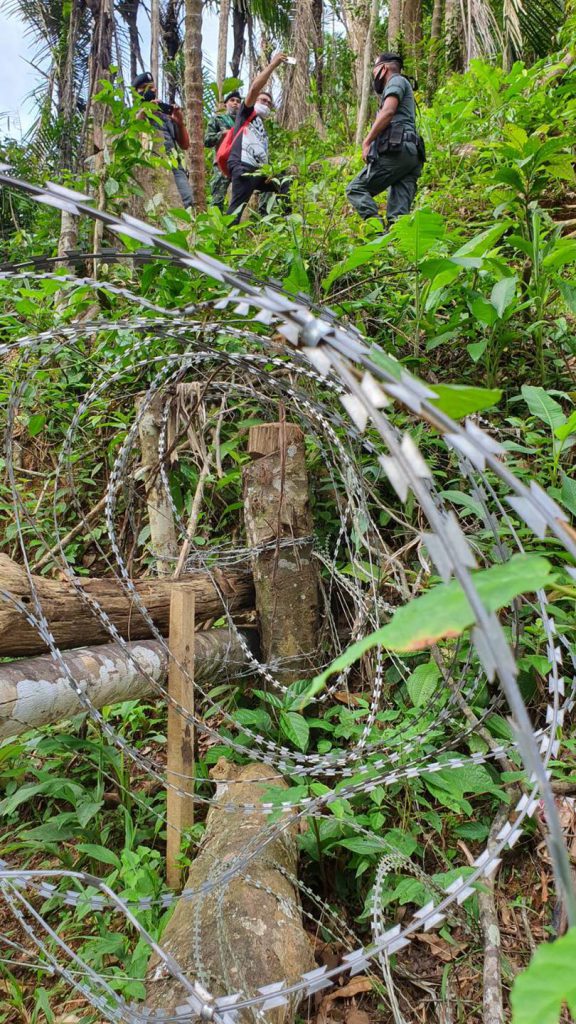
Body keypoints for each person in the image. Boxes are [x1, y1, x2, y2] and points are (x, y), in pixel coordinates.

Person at [346, 53, 424, 228]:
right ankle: (394, 247)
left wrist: (366, 142)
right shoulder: (404, 84)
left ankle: (378, 231)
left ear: (383, 68)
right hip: (412, 155)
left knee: (356, 189)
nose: (374, 76)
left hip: (399, 150)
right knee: (398, 216)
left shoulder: (395, 81)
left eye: (374, 70)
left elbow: (388, 112)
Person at [226, 53, 291, 224]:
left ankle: (289, 220)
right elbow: (255, 88)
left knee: (283, 180)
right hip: (243, 166)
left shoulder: (261, 125)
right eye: (263, 100)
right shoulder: (246, 112)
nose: (266, 104)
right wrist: (272, 65)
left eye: (269, 103)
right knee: (237, 209)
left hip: (260, 171)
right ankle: (222, 242)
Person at [133, 71, 193, 209]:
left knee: (186, 199)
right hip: (148, 166)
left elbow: (185, 145)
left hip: (173, 164)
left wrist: (179, 122)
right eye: (143, 88)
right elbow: (133, 133)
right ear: (137, 92)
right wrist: (146, 112)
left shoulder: (165, 115)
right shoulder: (134, 114)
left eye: (151, 86)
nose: (148, 90)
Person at [205, 90, 242, 210]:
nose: (235, 103)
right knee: (217, 198)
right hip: (223, 163)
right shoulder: (218, 119)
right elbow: (207, 141)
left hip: (241, 163)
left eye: (238, 101)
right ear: (225, 104)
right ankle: (214, 226)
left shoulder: (244, 123)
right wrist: (222, 134)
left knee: (240, 200)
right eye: (232, 100)